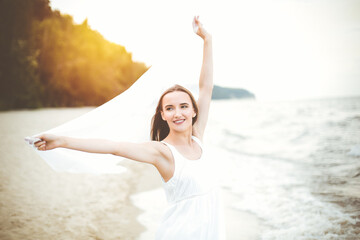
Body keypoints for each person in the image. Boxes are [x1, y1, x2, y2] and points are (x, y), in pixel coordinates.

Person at [35, 16, 225, 240]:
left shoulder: (198, 137)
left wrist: (207, 40)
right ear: (163, 115)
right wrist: (62, 141)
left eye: (184, 106)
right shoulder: (162, 151)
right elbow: (113, 147)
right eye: (170, 108)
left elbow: (206, 86)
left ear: (194, 111)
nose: (178, 113)